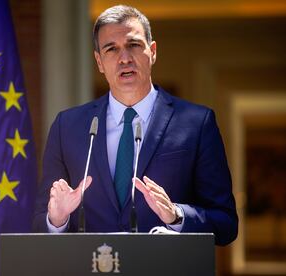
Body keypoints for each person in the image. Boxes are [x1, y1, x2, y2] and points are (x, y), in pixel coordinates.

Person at [33, 5, 238, 246]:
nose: (125, 58)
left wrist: (176, 215)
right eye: (111, 49)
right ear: (99, 61)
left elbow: (226, 224)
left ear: (152, 51)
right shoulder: (67, 127)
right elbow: (40, 222)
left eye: (133, 45)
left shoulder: (197, 123)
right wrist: (57, 219)